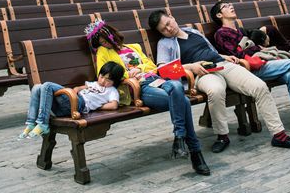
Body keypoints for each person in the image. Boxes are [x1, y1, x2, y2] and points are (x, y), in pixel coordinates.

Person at [149, 10, 290, 154]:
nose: (168, 29)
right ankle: (222, 136)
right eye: (163, 29)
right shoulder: (165, 43)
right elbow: (164, 70)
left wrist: (224, 56)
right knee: (216, 91)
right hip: (202, 74)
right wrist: (191, 67)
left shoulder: (193, 32)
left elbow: (212, 51)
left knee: (259, 86)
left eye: (168, 23)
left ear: (172, 17)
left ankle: (279, 135)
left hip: (223, 64)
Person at [87, 19, 210, 175]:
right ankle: (195, 152)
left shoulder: (134, 47)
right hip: (139, 88)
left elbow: (151, 66)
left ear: (113, 35)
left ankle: (180, 137)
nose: (105, 44)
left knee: (177, 86)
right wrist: (127, 74)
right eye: (101, 42)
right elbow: (105, 73)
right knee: (183, 100)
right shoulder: (103, 52)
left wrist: (139, 68)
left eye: (106, 40)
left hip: (155, 79)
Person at [210, 2, 290, 136]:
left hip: (261, 64)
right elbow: (236, 55)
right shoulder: (221, 33)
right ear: (219, 15)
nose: (231, 6)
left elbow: (252, 47)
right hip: (248, 70)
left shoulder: (239, 30)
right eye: (225, 6)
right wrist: (254, 49)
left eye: (230, 4)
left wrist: (255, 48)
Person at [19, 61, 124, 139]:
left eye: (108, 80)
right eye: (102, 76)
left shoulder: (111, 90)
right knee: (37, 87)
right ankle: (31, 122)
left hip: (80, 104)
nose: (103, 81)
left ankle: (43, 123)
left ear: (115, 82)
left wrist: (96, 105)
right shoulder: (93, 84)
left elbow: (114, 105)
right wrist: (75, 91)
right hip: (68, 103)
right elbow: (78, 88)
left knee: (47, 86)